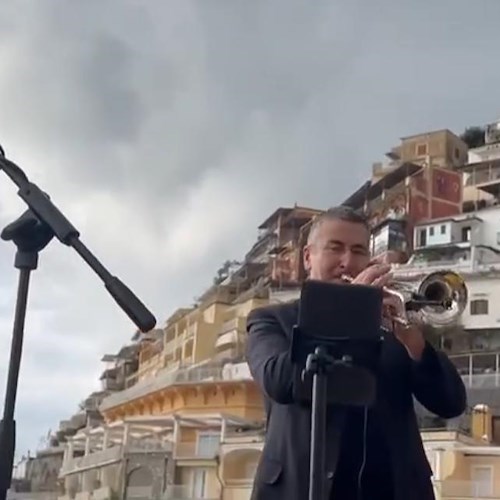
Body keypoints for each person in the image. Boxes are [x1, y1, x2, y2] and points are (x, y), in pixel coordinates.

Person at [245, 206, 467, 500]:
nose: (347, 262)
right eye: (335, 249)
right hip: (301, 489)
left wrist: (415, 343)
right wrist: (348, 309)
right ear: (308, 257)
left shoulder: (392, 325)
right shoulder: (271, 320)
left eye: (358, 251)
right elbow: (280, 380)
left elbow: (451, 403)